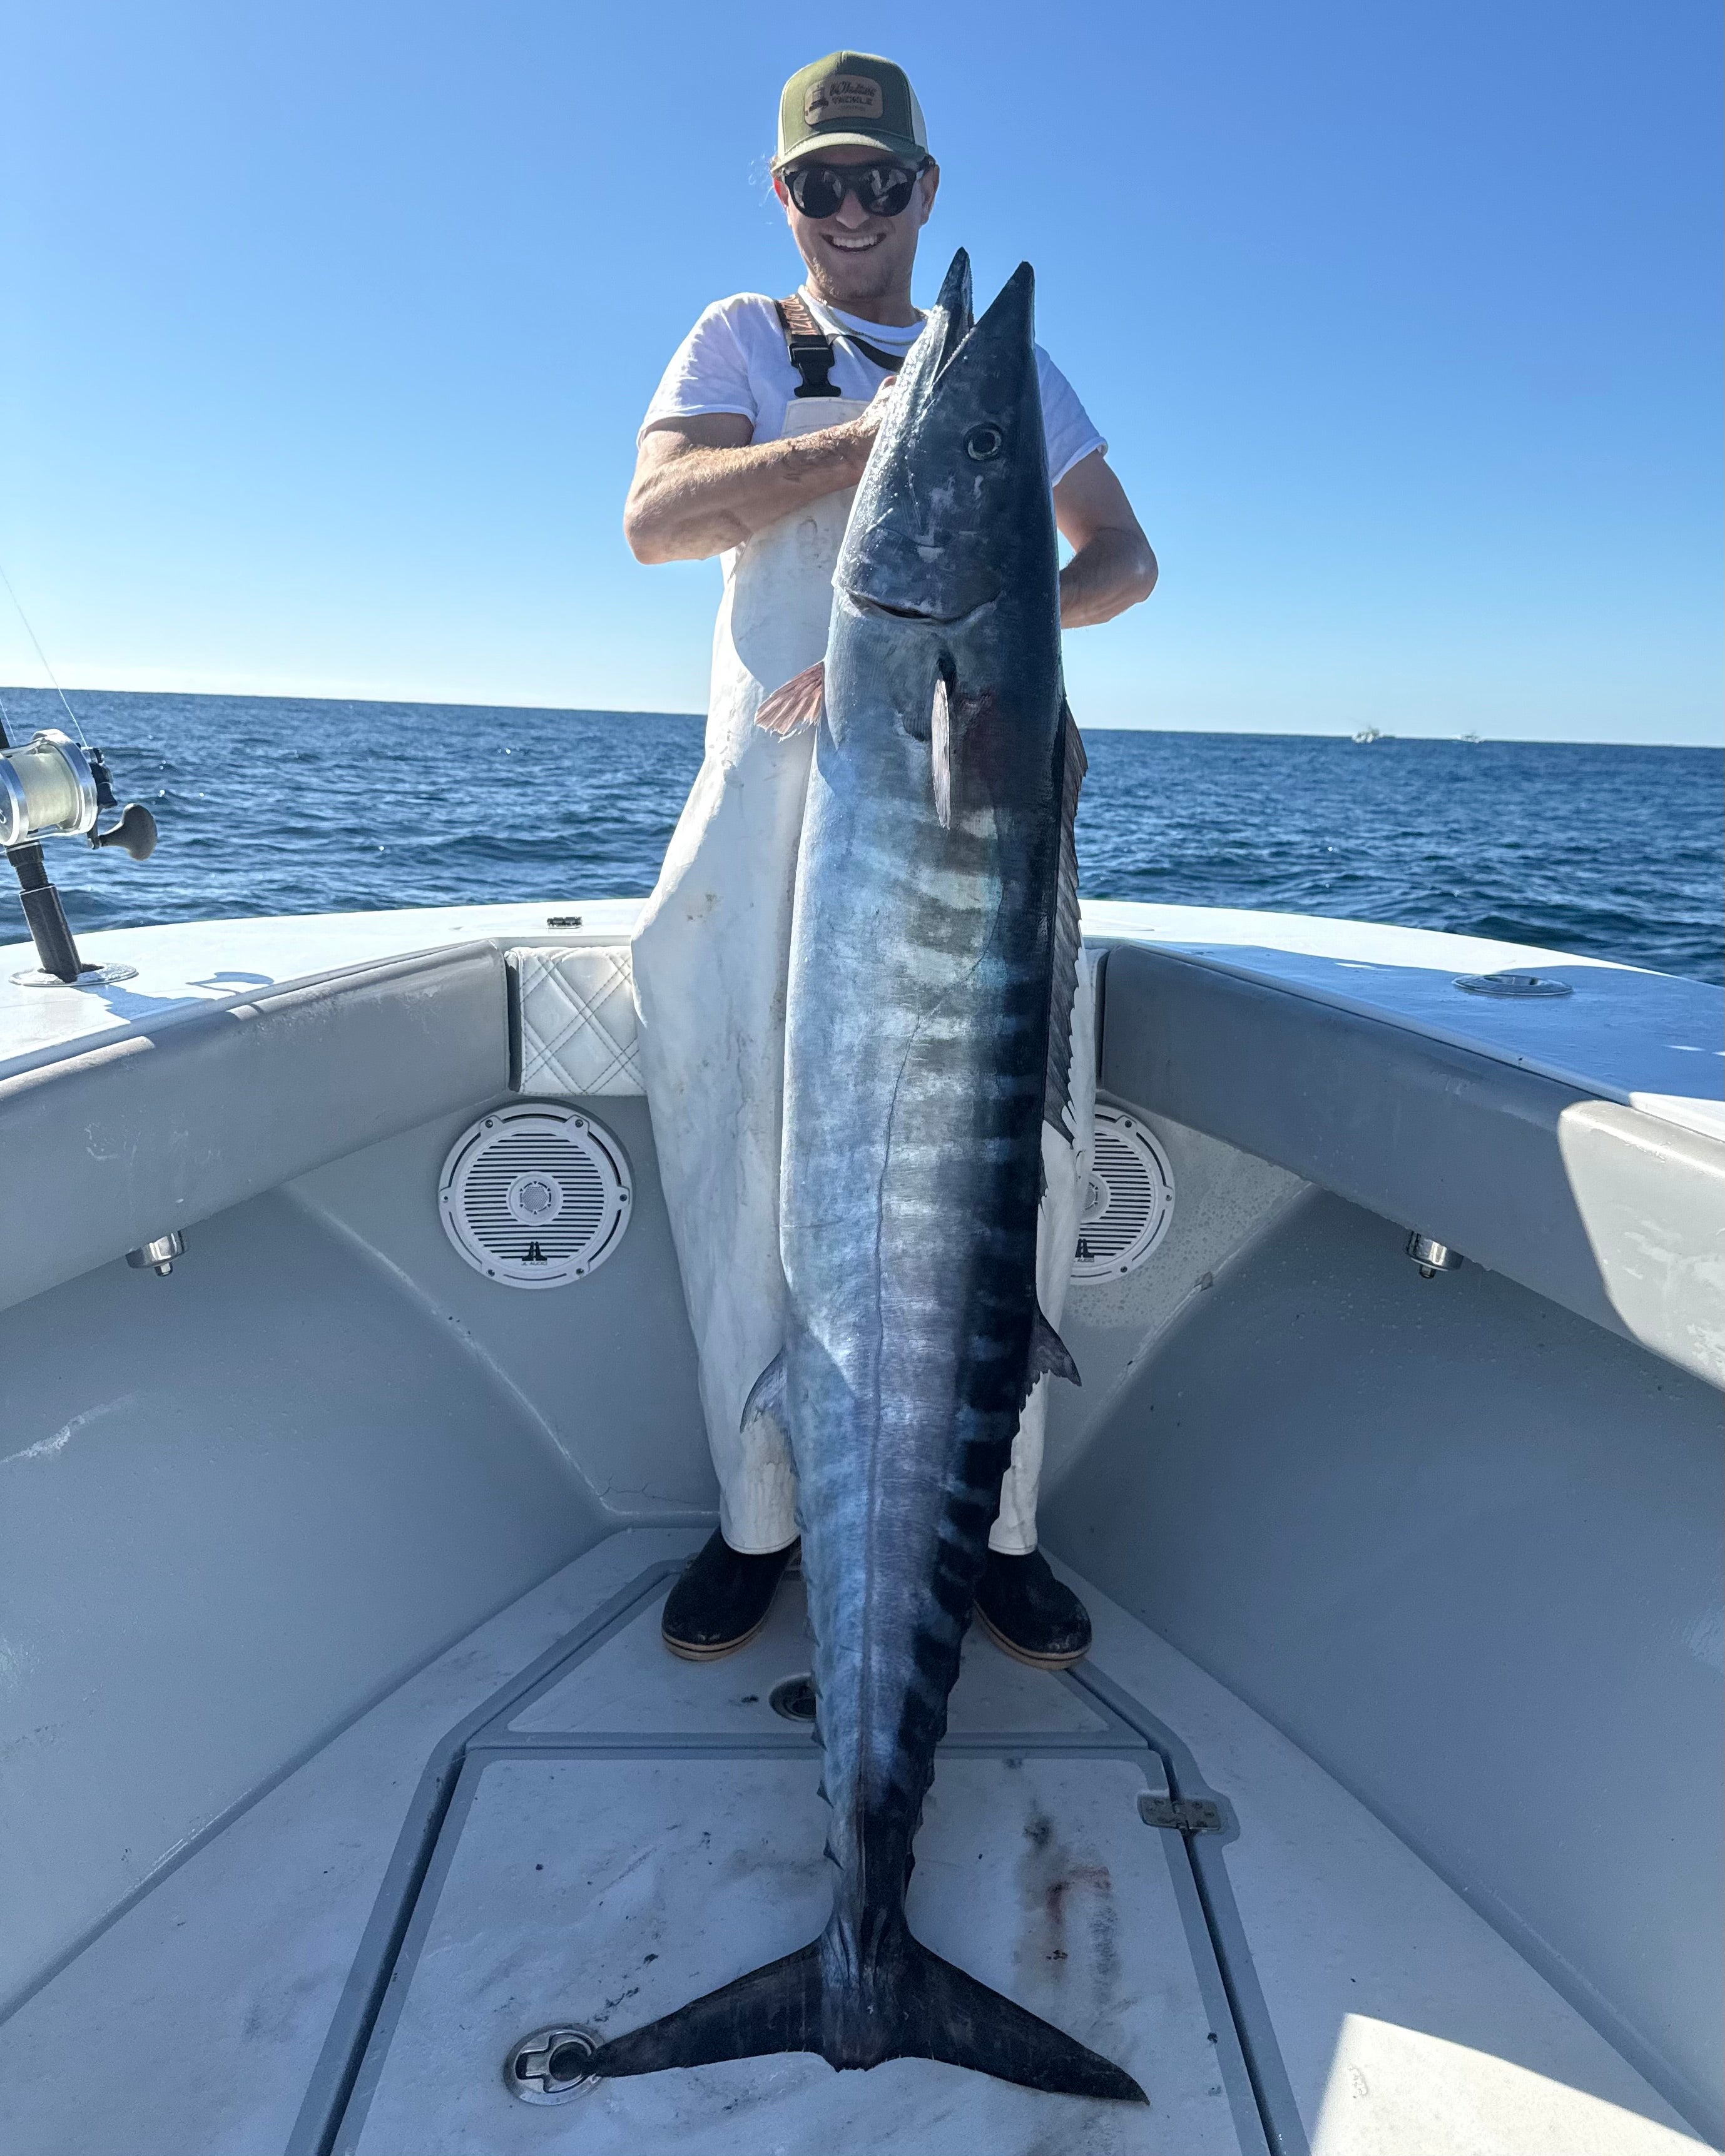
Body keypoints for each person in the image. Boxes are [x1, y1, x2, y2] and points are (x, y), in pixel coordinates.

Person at [626, 51, 1156, 1671]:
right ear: (785, 199)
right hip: (775, 809)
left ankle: (992, 1529)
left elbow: (1123, 557)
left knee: (1008, 1174)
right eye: (821, 183)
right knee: (745, 1168)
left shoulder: (1005, 372)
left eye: (883, 180)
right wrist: (868, 459)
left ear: (927, 191)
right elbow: (659, 516)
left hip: (966, 804)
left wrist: (989, 625)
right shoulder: (747, 340)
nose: (854, 209)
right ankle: (759, 1516)